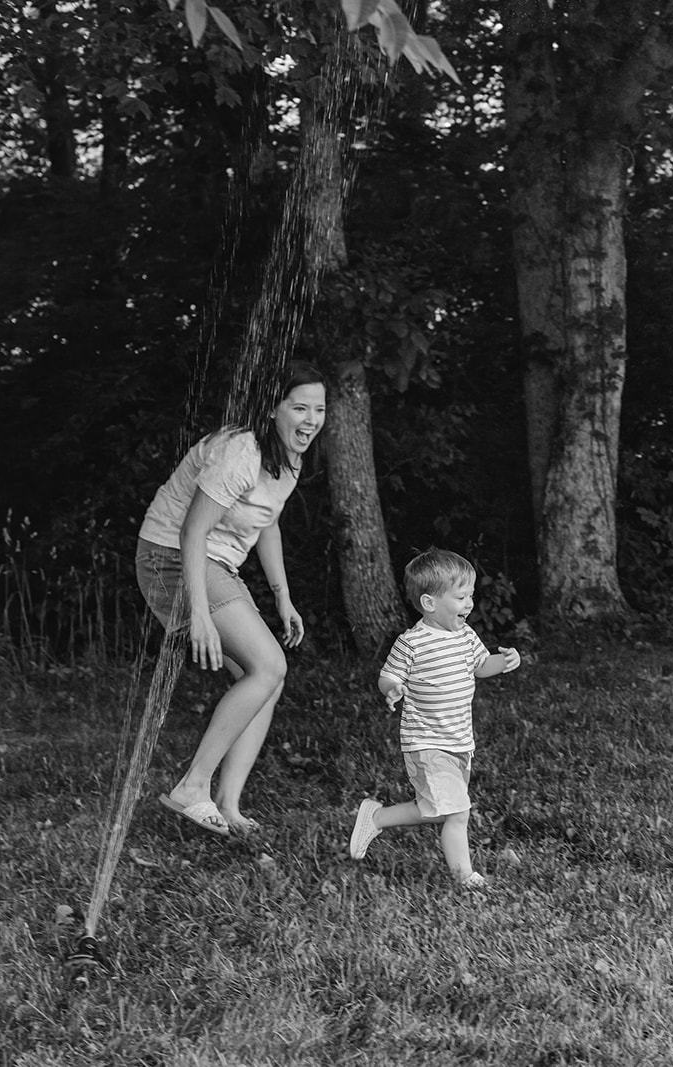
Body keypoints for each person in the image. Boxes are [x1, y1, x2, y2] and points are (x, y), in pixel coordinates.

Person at [134, 359, 327, 837]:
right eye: (299, 408)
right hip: (172, 557)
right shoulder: (240, 451)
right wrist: (198, 614)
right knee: (269, 666)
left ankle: (228, 803)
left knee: (265, 678)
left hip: (215, 564)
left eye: (319, 410)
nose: (310, 420)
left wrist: (283, 598)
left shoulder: (290, 458)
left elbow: (268, 522)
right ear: (272, 409)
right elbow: (192, 532)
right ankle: (191, 788)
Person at [348, 547, 522, 890]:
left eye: (471, 595)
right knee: (457, 812)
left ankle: (377, 816)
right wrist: (393, 688)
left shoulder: (466, 635)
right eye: (461, 597)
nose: (470, 604)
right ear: (430, 603)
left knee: (435, 809)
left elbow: (481, 666)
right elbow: (388, 675)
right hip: (426, 742)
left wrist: (503, 662)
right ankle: (466, 878)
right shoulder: (411, 643)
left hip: (459, 741)